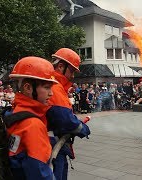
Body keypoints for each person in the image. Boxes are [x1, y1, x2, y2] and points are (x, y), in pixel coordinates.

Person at [5, 56, 57, 179]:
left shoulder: (13, 113)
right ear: (28, 88)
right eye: (46, 87)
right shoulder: (32, 124)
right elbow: (40, 173)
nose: (51, 93)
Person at [46, 48, 91, 180]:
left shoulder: (53, 84)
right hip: (53, 145)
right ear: (61, 66)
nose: (72, 76)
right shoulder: (55, 87)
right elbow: (66, 120)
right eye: (72, 71)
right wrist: (83, 129)